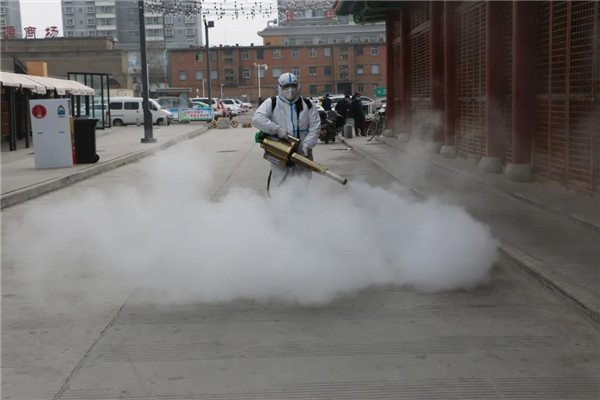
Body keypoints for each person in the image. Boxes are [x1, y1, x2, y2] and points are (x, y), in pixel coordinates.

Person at [252, 72, 321, 189]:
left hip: (303, 155)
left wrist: (308, 144)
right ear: (280, 87)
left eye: (293, 85)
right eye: (286, 86)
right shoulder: (272, 103)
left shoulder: (308, 105)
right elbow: (257, 119)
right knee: (283, 186)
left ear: (298, 86)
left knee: (303, 186)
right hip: (280, 153)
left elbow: (315, 126)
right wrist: (277, 129)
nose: (290, 89)